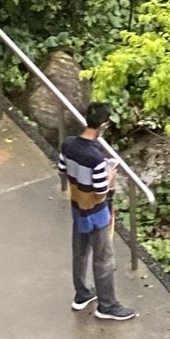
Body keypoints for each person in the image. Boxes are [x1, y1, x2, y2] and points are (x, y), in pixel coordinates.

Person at [59, 101, 137, 321]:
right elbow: (101, 191)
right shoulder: (96, 158)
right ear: (103, 124)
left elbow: (62, 169)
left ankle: (82, 293)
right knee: (103, 258)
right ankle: (107, 305)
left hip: (77, 208)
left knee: (80, 252)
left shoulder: (68, 144)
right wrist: (110, 175)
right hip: (96, 213)